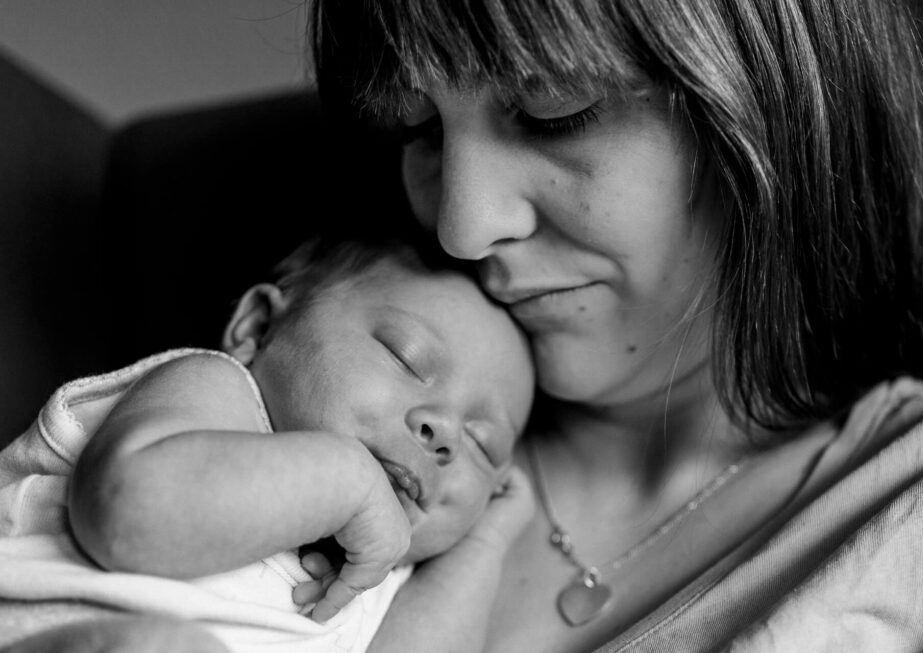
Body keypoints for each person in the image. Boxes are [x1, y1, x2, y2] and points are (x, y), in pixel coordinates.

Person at [313, 0, 923, 651]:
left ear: (765, 102)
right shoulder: (351, 414)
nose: (463, 228)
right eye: (421, 129)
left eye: (554, 112)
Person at [0, 231, 536, 653]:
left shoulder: (381, 578)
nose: (443, 431)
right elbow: (127, 516)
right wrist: (348, 479)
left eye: (482, 444)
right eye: (406, 358)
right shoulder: (216, 392)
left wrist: (487, 541)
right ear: (258, 326)